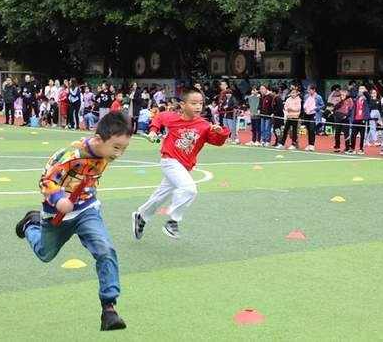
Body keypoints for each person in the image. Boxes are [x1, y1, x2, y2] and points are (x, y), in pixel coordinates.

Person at [15, 111, 133, 331]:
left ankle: (109, 308)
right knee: (45, 253)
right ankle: (31, 224)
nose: (119, 154)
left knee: (105, 249)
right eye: (116, 148)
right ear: (98, 139)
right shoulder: (70, 154)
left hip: (87, 209)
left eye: (123, 149)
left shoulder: (105, 154)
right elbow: (47, 180)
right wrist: (59, 200)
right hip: (57, 213)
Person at [132, 89, 230, 240]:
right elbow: (158, 118)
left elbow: (217, 142)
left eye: (201, 103)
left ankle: (141, 216)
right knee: (189, 189)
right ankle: (173, 221)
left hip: (185, 166)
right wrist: (152, 131)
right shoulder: (172, 118)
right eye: (194, 103)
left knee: (160, 195)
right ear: (183, 105)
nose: (198, 106)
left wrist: (221, 132)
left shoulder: (204, 125)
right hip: (169, 160)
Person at [348, 85, 370, 155]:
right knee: (353, 135)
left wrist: (365, 92)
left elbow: (368, 97)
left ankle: (361, 149)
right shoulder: (356, 98)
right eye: (360, 88)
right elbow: (352, 94)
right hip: (355, 119)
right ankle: (352, 148)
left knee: (362, 135)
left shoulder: (366, 99)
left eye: (363, 88)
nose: (361, 90)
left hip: (363, 119)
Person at [302, 84, 324, 151]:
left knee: (312, 129)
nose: (308, 91)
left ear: (314, 90)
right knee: (308, 129)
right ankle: (309, 144)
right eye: (308, 90)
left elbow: (322, 105)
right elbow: (304, 103)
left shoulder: (318, 97)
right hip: (306, 114)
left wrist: (316, 108)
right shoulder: (306, 96)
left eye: (310, 90)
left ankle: (312, 145)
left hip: (314, 114)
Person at [333, 88, 353, 153]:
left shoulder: (350, 100)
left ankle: (347, 147)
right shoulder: (338, 99)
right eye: (341, 94)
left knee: (346, 133)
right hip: (338, 117)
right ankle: (337, 147)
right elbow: (335, 107)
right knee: (337, 132)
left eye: (344, 94)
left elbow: (351, 110)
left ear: (347, 94)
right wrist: (341, 100)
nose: (343, 95)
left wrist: (346, 116)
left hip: (345, 118)